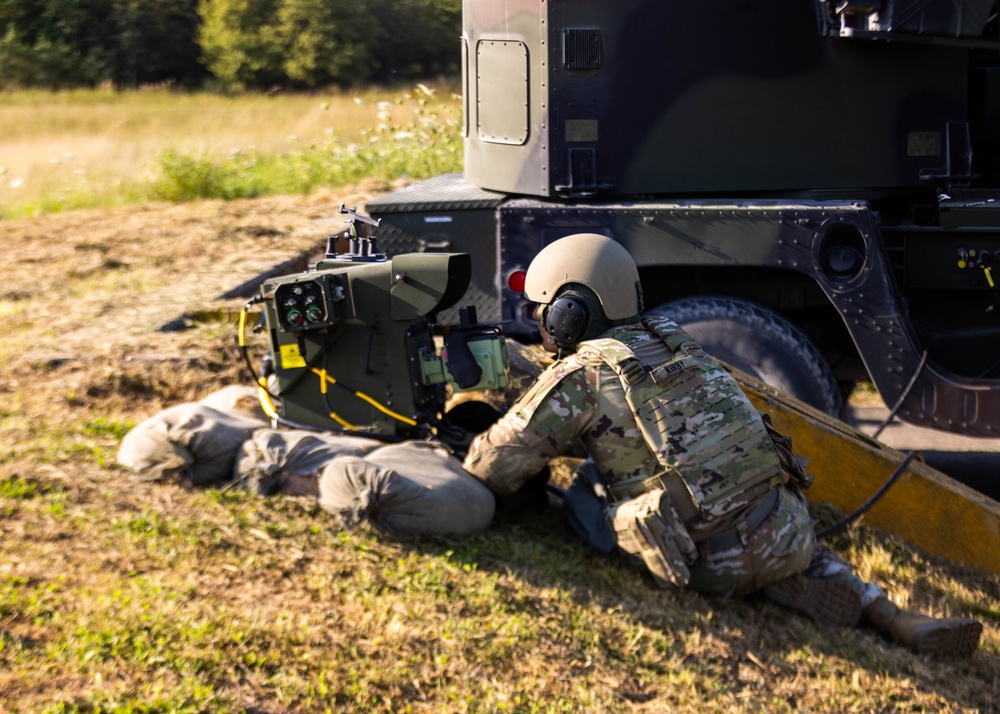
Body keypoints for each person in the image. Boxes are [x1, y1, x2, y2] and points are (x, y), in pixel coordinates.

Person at [463, 233, 983, 658]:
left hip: (706, 562)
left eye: (544, 309)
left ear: (570, 314)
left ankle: (738, 572)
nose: (538, 320)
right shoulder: (679, 344)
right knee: (752, 503)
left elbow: (493, 467)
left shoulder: (582, 375)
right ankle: (889, 614)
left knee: (586, 487)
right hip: (783, 529)